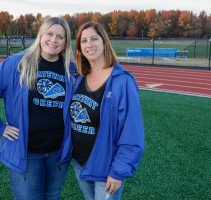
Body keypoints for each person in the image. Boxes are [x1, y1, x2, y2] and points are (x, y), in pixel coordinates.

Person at [0, 17, 75, 200]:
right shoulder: (17, 64)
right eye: (49, 34)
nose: (54, 40)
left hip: (58, 154)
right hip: (27, 153)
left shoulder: (71, 70)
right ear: (40, 35)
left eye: (60, 36)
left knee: (52, 196)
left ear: (66, 42)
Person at [70, 21, 144, 200]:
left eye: (94, 39)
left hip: (106, 167)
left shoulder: (122, 81)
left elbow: (132, 132)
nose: (89, 45)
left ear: (104, 42)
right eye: (84, 41)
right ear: (79, 47)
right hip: (80, 163)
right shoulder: (79, 78)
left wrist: (119, 171)